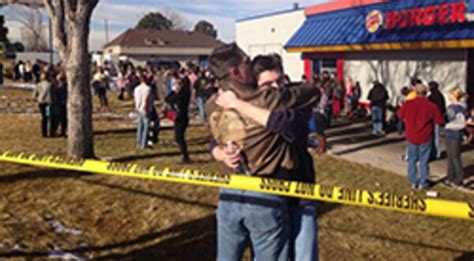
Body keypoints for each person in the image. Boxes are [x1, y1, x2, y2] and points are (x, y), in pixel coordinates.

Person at [206, 43, 319, 261]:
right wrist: (219, 152)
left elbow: (285, 123)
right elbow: (311, 93)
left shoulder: (214, 103)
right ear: (236, 71)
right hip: (264, 193)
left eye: (280, 81)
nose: (275, 87)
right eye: (268, 84)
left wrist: (237, 104)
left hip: (233, 190)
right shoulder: (268, 100)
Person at [397, 84, 444, 189]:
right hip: (425, 136)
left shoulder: (408, 104)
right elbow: (439, 120)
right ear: (426, 93)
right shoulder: (432, 106)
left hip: (411, 135)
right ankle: (423, 182)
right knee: (424, 160)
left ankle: (413, 181)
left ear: (415, 93)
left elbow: (400, 115)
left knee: (412, 160)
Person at [165, 70, 191, 163]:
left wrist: (175, 92)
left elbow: (174, 100)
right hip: (177, 117)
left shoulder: (184, 94)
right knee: (178, 137)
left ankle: (185, 156)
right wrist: (173, 91)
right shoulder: (178, 94)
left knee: (179, 137)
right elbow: (167, 99)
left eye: (179, 84)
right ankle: (185, 155)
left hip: (182, 117)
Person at [444, 87, 468, 188]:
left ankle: (459, 179)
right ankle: (450, 177)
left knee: (455, 157)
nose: (448, 96)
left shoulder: (459, 108)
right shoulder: (450, 106)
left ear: (455, 96)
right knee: (449, 156)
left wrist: (447, 125)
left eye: (450, 94)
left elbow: (461, 123)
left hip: (455, 135)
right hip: (448, 134)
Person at [134, 72, 153, 149]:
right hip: (145, 109)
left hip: (138, 108)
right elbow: (146, 99)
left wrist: (136, 107)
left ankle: (138, 142)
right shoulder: (148, 89)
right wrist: (146, 107)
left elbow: (135, 99)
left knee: (139, 126)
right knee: (146, 127)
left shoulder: (136, 88)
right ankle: (143, 144)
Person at [428, 81, 446, 159]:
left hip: (434, 118)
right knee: (436, 136)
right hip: (438, 118)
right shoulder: (440, 96)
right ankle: (436, 152)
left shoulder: (432, 97)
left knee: (435, 136)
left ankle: (436, 153)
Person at [33, 71, 54, 138]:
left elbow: (34, 95)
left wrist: (37, 99)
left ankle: (44, 133)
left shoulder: (38, 85)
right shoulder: (50, 85)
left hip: (41, 102)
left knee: (43, 118)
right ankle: (50, 132)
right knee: (49, 118)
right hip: (48, 102)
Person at [56, 72, 68, 137]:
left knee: (62, 118)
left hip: (62, 103)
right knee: (63, 119)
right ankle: (63, 130)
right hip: (64, 103)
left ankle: (63, 131)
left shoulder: (61, 86)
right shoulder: (66, 86)